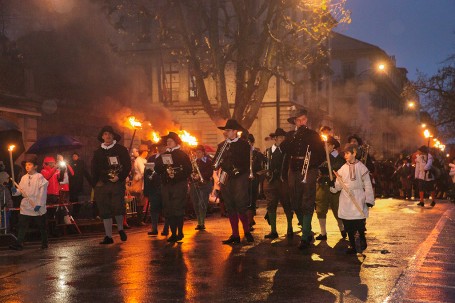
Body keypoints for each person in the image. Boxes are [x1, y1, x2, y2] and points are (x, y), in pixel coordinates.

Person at [282, 109, 325, 249]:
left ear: (306, 120)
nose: (300, 122)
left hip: (309, 170)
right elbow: (284, 149)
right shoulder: (290, 135)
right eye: (297, 120)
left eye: (302, 120)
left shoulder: (313, 135)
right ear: (295, 122)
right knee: (295, 202)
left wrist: (312, 164)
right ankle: (307, 228)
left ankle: (305, 235)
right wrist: (294, 136)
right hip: (293, 169)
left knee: (307, 201)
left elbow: (321, 154)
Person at [212, 119, 253, 244]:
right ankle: (235, 234)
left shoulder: (244, 144)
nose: (226, 133)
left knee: (240, 204)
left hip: (239, 176)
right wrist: (216, 164)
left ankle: (246, 231)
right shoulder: (221, 145)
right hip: (225, 176)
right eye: (225, 131)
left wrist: (235, 168)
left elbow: (246, 163)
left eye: (228, 130)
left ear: (235, 131)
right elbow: (215, 162)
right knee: (229, 205)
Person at [332, 144, 375, 254]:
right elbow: (338, 185)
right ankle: (352, 245)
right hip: (346, 199)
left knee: (359, 222)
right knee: (348, 224)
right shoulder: (342, 168)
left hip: (358, 197)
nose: (345, 156)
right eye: (344, 153)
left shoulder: (362, 167)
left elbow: (368, 184)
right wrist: (332, 185)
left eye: (347, 153)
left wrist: (369, 199)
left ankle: (362, 238)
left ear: (354, 153)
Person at [92, 125, 131, 244]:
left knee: (117, 206)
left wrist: (119, 177)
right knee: (104, 209)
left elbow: (127, 165)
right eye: (105, 134)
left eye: (109, 134)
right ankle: (108, 236)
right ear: (102, 137)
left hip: (117, 182)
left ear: (113, 136)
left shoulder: (121, 150)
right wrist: (95, 183)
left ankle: (120, 229)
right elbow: (94, 168)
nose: (107, 136)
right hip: (103, 183)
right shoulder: (98, 152)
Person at [155, 132, 192, 242]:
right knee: (168, 209)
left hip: (179, 185)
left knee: (177, 208)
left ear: (176, 142)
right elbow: (157, 169)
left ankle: (180, 232)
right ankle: (173, 233)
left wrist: (176, 175)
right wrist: (163, 166)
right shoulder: (163, 155)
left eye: (170, 141)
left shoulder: (182, 154)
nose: (168, 143)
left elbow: (188, 170)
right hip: (167, 185)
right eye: (167, 141)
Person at [9, 156, 49, 250]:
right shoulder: (24, 178)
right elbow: (21, 191)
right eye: (26, 165)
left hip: (36, 205)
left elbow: (42, 191)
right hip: (26, 205)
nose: (27, 166)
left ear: (35, 166)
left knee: (41, 226)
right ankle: (19, 244)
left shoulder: (39, 177)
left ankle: (45, 242)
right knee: (22, 225)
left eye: (30, 164)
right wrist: (15, 191)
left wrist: (39, 204)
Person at [315, 135, 347, 241]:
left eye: (327, 145)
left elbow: (340, 167)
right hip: (323, 185)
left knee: (337, 208)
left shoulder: (338, 157)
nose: (325, 147)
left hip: (334, 185)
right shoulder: (321, 156)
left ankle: (342, 228)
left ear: (333, 146)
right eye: (324, 145)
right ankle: (323, 233)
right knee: (320, 208)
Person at [263, 128, 293, 239]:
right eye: (280, 137)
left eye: (284, 138)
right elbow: (265, 166)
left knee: (287, 205)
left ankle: (290, 228)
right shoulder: (267, 151)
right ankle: (273, 231)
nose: (282, 140)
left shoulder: (287, 152)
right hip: (271, 182)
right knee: (271, 206)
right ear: (275, 138)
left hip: (283, 182)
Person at [189, 145, 213, 231]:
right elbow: (190, 172)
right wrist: (192, 175)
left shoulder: (209, 161)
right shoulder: (194, 162)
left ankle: (202, 222)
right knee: (195, 203)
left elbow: (209, 172)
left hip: (205, 184)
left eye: (199, 152)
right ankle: (199, 222)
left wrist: (200, 176)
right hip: (195, 185)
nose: (197, 154)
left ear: (203, 152)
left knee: (202, 203)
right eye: (196, 152)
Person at [145, 142, 167, 236]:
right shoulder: (152, 158)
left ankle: (166, 229)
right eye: (159, 146)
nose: (160, 148)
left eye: (162, 146)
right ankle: (154, 228)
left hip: (165, 186)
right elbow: (147, 173)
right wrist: (146, 189)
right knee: (154, 209)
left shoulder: (167, 157)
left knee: (166, 209)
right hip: (154, 188)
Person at [246, 134, 266, 231]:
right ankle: (249, 220)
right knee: (245, 201)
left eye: (249, 142)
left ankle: (250, 222)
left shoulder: (257, 154)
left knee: (251, 200)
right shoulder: (243, 154)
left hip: (254, 180)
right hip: (244, 180)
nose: (247, 144)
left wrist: (259, 172)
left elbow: (265, 163)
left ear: (252, 142)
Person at [69, 152, 92, 217]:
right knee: (73, 198)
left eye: (75, 156)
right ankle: (73, 211)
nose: (74, 157)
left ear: (78, 157)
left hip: (79, 183)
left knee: (78, 197)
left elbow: (86, 173)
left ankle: (77, 211)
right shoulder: (70, 164)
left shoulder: (81, 163)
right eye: (73, 156)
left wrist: (90, 181)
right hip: (71, 184)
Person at [131, 144, 149, 225]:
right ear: (144, 152)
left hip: (143, 182)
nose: (147, 153)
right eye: (146, 151)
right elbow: (142, 171)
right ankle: (139, 220)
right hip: (140, 182)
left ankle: (140, 219)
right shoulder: (139, 160)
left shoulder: (143, 160)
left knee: (142, 201)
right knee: (140, 201)